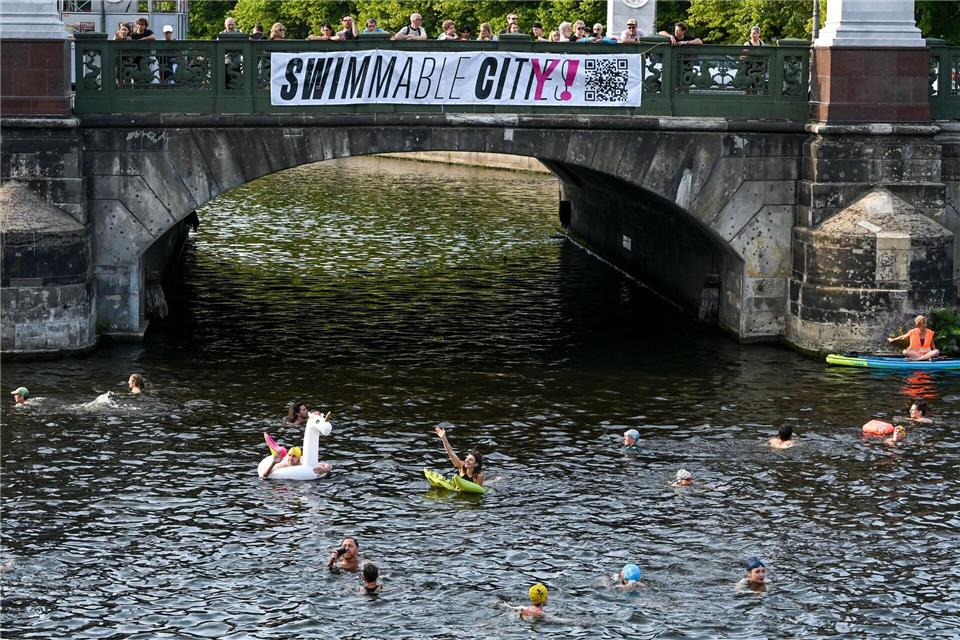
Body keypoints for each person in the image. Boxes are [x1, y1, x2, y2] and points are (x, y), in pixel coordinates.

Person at [261, 446, 331, 478]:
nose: (291, 458)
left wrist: (324, 470)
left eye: (294, 456)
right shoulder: (283, 466)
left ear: (299, 458)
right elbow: (264, 475)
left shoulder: (303, 464)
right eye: (290, 455)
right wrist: (273, 463)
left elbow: (328, 465)